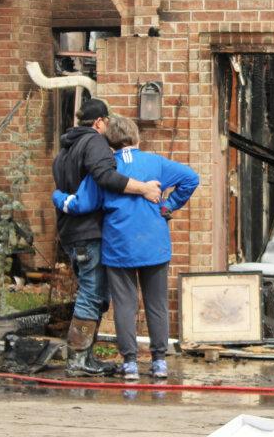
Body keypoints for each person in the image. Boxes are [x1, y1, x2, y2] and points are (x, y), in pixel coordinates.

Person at [53, 116, 198, 381]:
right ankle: (158, 362)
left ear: (109, 142)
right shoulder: (156, 163)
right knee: (157, 304)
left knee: (125, 305)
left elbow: (81, 205)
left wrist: (58, 196)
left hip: (119, 245)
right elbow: (191, 178)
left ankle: (130, 363)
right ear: (137, 138)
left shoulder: (106, 169)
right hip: (154, 243)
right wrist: (169, 205)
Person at [52, 99, 162, 376]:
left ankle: (85, 358)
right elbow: (105, 176)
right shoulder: (94, 143)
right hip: (89, 232)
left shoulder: (65, 149)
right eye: (106, 122)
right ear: (99, 122)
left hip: (70, 232)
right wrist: (144, 189)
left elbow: (69, 190)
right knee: (92, 294)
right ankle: (78, 359)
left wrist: (60, 200)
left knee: (94, 294)